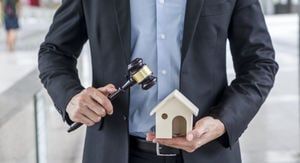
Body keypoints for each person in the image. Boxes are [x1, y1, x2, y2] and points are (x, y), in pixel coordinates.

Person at [38, 0, 279, 163]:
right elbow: (54, 51)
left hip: (207, 152)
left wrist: (223, 121)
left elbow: (260, 63)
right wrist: (71, 96)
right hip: (115, 151)